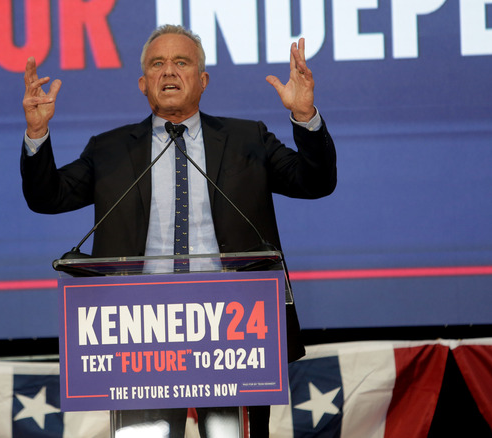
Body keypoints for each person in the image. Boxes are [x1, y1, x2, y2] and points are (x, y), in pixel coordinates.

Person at [21, 24, 336, 438]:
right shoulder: (110, 148)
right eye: (158, 64)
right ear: (143, 83)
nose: (169, 71)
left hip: (234, 327)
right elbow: (48, 197)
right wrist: (38, 134)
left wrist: (304, 116)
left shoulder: (248, 139)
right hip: (141, 330)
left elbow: (315, 183)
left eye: (181, 62)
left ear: (202, 81)